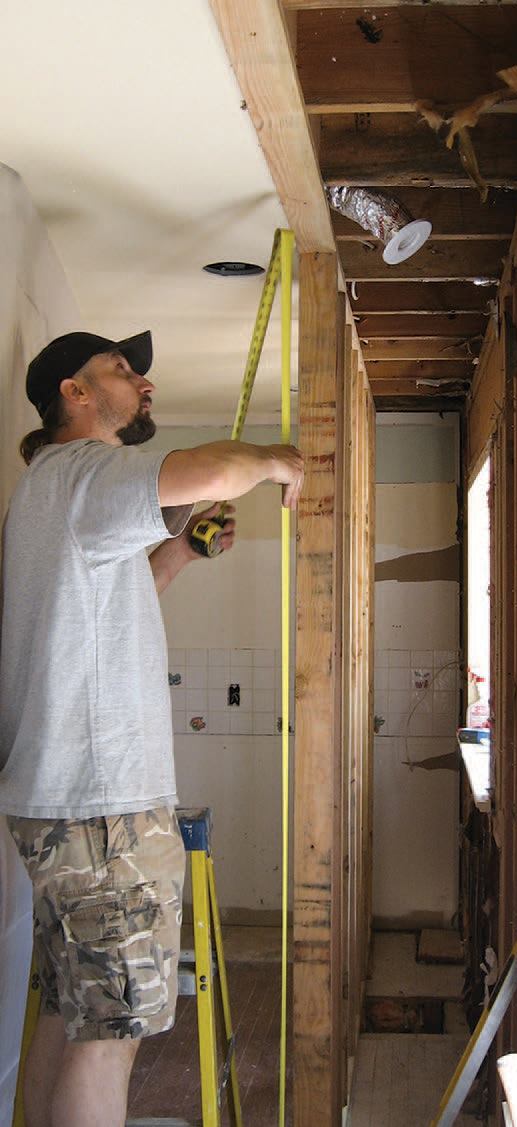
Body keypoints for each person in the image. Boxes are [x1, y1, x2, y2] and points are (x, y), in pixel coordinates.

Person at [0, 329, 304, 1127]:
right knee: (115, 1034)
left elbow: (118, 597)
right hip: (104, 810)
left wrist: (181, 551)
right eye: (123, 372)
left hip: (66, 802)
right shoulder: (85, 470)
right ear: (75, 391)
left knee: (76, 1017)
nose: (145, 386)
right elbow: (205, 468)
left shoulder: (46, 494)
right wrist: (275, 459)